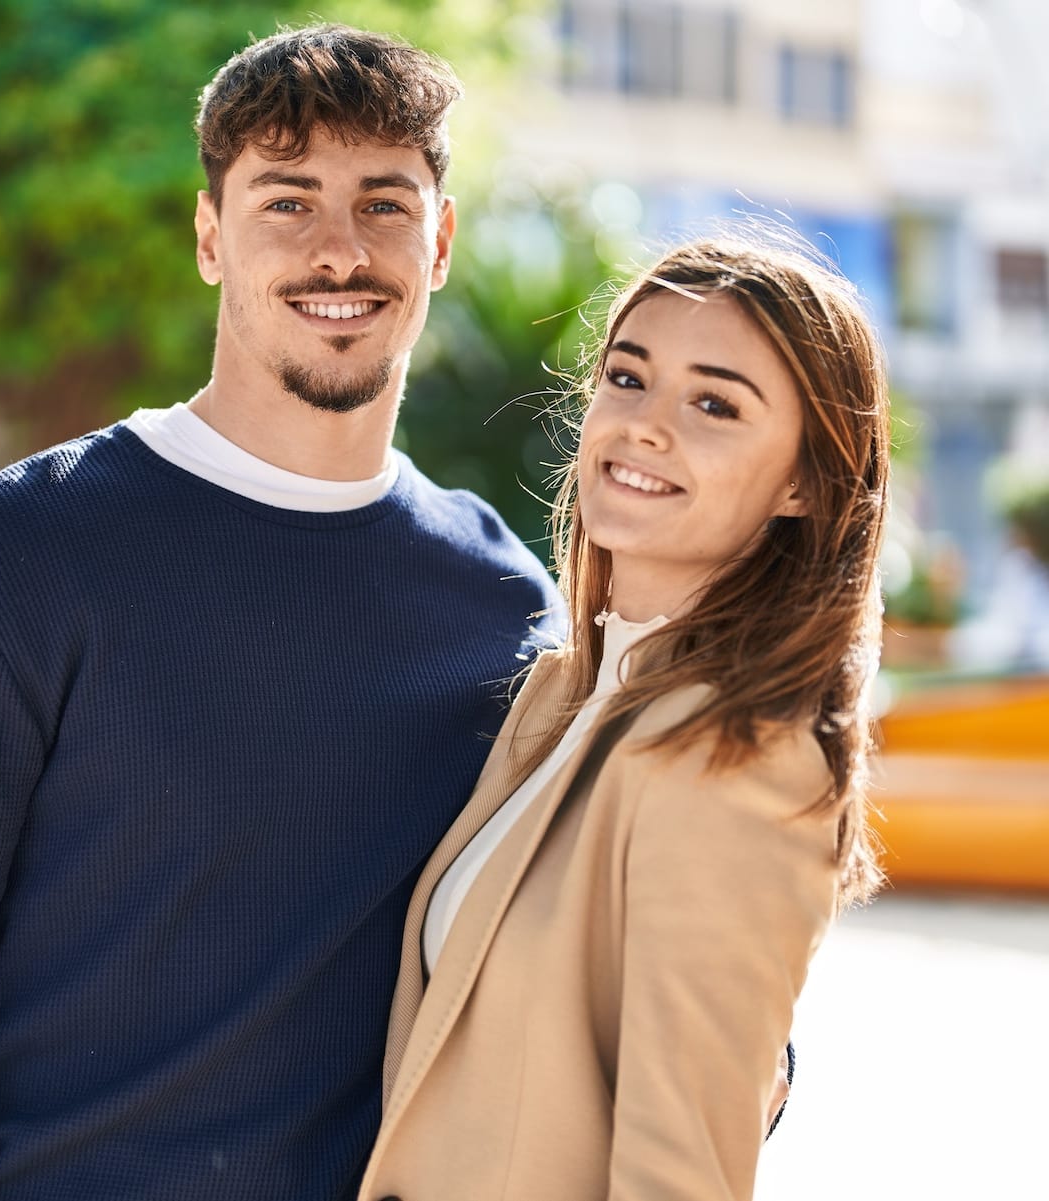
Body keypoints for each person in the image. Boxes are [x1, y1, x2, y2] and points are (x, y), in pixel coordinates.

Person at [0, 25, 563, 1201]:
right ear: (211, 237)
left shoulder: (506, 605)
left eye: (383, 203)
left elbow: (581, 930)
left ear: (442, 241)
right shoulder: (10, 559)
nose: (339, 248)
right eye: (287, 202)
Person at [358, 234, 891, 1201]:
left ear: (805, 483)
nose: (645, 425)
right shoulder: (563, 692)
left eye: (715, 404)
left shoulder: (737, 757)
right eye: (628, 377)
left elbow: (681, 1173)